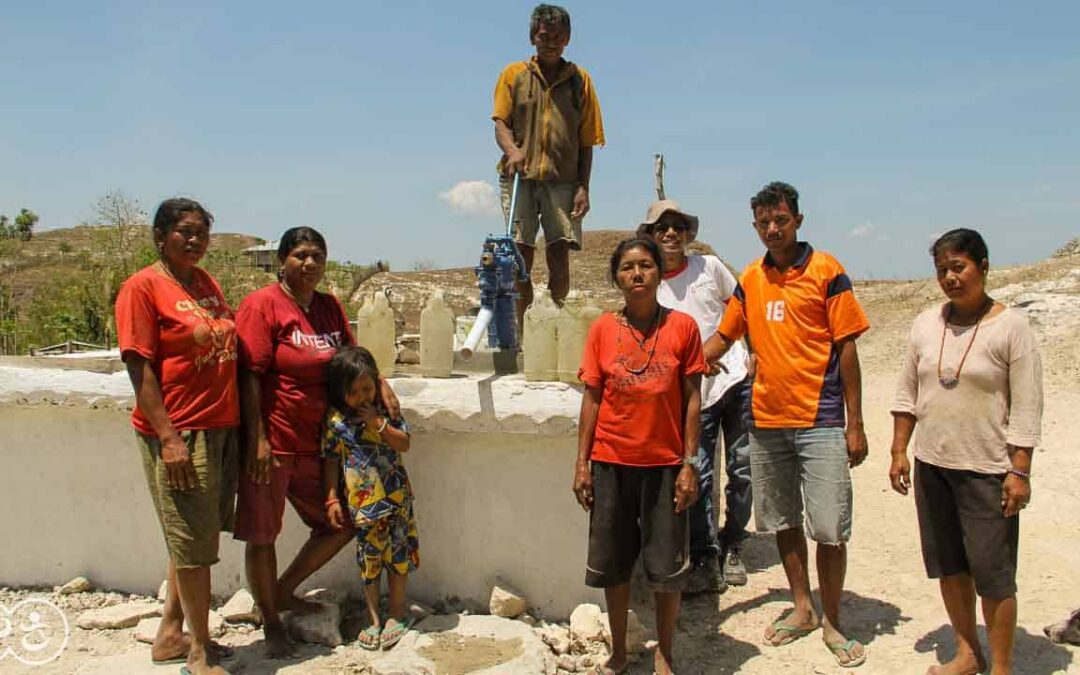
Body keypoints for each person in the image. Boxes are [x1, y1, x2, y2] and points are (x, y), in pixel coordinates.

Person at [703, 181, 870, 668]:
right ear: (754, 226)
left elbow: (848, 349)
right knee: (783, 522)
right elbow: (723, 337)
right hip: (766, 419)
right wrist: (682, 359)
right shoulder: (751, 278)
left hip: (820, 420)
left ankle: (833, 618)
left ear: (798, 220)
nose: (772, 229)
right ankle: (803, 608)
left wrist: (854, 423)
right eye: (763, 223)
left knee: (829, 527)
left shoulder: (827, 270)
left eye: (780, 220)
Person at [233, 227, 398, 657]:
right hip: (274, 442)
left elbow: (353, 357)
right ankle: (271, 624)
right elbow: (249, 375)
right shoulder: (261, 306)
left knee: (339, 523)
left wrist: (382, 384)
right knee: (262, 534)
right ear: (283, 261)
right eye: (300, 255)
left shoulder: (327, 307)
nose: (310, 264)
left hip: (322, 443)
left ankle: (280, 593)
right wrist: (258, 439)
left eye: (317, 256)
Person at [889, 229, 1043, 675]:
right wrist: (900, 450)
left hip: (988, 469)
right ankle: (967, 652)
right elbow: (906, 393)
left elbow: (1027, 406)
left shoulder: (1012, 327)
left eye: (959, 267)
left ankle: (1002, 667)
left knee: (993, 574)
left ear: (984, 266)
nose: (950, 278)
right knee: (950, 565)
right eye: (942, 270)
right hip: (933, 465)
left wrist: (1020, 471)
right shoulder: (925, 324)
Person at [115, 197, 237, 675]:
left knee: (194, 535)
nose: (194, 241)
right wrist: (169, 438)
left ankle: (171, 633)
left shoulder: (204, 282)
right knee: (192, 545)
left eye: (201, 233)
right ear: (160, 236)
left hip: (218, 425)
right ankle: (200, 653)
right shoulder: (142, 288)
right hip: (180, 429)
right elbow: (138, 366)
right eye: (184, 232)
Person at [574, 237, 706, 675]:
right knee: (613, 564)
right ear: (616, 277)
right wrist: (582, 465)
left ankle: (664, 653)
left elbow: (692, 399)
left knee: (667, 567)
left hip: (666, 466)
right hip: (612, 463)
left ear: (659, 273)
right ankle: (618, 650)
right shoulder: (600, 331)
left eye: (646, 266)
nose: (637, 274)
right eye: (628, 267)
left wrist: (690, 463)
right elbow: (592, 398)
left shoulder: (683, 328)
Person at [640, 199, 753, 593]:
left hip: (735, 381)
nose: (671, 233)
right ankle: (704, 554)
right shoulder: (651, 284)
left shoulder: (710, 267)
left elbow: (741, 308)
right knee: (698, 474)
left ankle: (734, 542)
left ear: (688, 233)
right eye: (662, 227)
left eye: (677, 226)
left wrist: (752, 354)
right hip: (692, 394)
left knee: (743, 469)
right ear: (651, 237)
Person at [492, 3, 605, 323]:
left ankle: (556, 323)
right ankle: (524, 326)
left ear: (568, 39)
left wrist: (584, 186)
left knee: (559, 252)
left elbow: (587, 139)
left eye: (558, 36)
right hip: (520, 178)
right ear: (532, 38)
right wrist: (513, 151)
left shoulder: (580, 81)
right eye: (544, 36)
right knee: (518, 254)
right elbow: (500, 123)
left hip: (564, 180)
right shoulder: (513, 75)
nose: (551, 42)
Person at [322, 345, 417, 651]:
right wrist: (332, 498)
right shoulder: (337, 422)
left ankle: (398, 614)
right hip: (364, 508)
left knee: (398, 557)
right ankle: (373, 618)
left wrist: (379, 424)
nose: (363, 397)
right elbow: (331, 460)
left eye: (368, 388)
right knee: (370, 562)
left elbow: (404, 444)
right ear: (341, 392)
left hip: (396, 501)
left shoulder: (387, 412)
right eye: (354, 391)